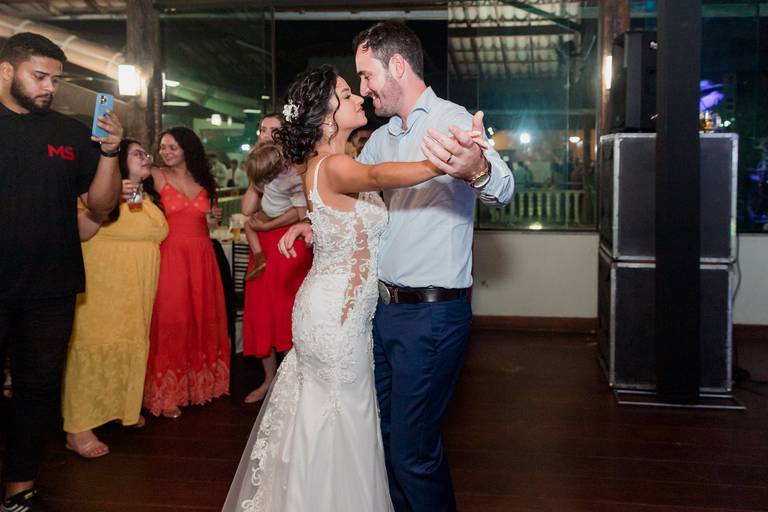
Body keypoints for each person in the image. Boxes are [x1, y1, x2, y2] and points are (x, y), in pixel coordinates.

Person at [279, 21, 513, 512]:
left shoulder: (452, 121)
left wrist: (475, 168)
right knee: (382, 438)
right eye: (355, 84)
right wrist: (313, 224)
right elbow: (358, 189)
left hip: (430, 314)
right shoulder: (381, 139)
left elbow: (504, 187)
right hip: (377, 313)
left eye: (366, 76)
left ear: (398, 67)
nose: (363, 89)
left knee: (413, 451)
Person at [223, 64, 460, 512]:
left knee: (328, 412)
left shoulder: (323, 165)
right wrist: (441, 163)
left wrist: (309, 225)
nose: (359, 98)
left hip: (333, 308)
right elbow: (376, 178)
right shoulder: (334, 165)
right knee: (340, 414)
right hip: (337, 318)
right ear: (325, 116)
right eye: (347, 94)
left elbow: (340, 216)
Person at [0, 32, 123, 511]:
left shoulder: (70, 133)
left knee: (37, 390)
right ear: (6, 71)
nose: (50, 86)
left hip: (51, 286)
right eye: (40, 76)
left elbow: (101, 205)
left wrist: (109, 153)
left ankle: (19, 490)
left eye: (55, 78)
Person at [61, 138, 168, 458]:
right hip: (102, 290)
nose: (147, 157)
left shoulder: (145, 196)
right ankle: (78, 428)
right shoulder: (97, 192)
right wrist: (106, 202)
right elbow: (79, 230)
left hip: (136, 293)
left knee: (129, 346)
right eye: (137, 154)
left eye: (146, 153)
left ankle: (121, 408)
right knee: (93, 348)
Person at [143, 127, 230, 419]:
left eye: (172, 147)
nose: (165, 152)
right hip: (171, 256)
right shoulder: (155, 176)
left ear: (187, 149)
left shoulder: (203, 180)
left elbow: (208, 221)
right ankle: (167, 393)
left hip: (202, 256)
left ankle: (200, 384)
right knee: (172, 320)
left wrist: (212, 218)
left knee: (201, 317)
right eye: (162, 147)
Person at [240, 142, 311, 404]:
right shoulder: (262, 172)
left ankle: (292, 381)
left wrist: (268, 224)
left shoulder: (294, 175)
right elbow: (246, 210)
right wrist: (256, 176)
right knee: (262, 314)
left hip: (289, 245)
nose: (266, 135)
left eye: (272, 130)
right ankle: (269, 380)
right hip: (263, 246)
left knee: (286, 313)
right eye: (262, 130)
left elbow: (302, 215)